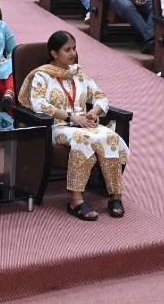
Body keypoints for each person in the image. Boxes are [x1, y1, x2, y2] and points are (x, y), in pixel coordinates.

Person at [23, 30, 130, 220]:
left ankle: (115, 196)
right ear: (54, 53)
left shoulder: (78, 74)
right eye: (67, 50)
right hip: (57, 126)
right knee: (82, 139)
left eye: (74, 48)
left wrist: (93, 112)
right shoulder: (42, 76)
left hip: (84, 123)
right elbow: (38, 104)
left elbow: (101, 97)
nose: (73, 53)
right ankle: (76, 199)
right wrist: (71, 117)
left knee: (110, 137)